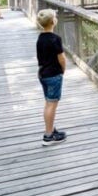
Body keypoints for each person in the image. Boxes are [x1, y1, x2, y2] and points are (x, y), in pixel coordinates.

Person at [36, 9, 67, 145]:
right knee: (52, 105)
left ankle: (50, 129)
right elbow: (62, 58)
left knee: (48, 103)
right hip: (53, 74)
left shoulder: (40, 38)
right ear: (53, 21)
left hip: (43, 73)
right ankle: (48, 136)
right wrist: (63, 71)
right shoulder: (55, 39)